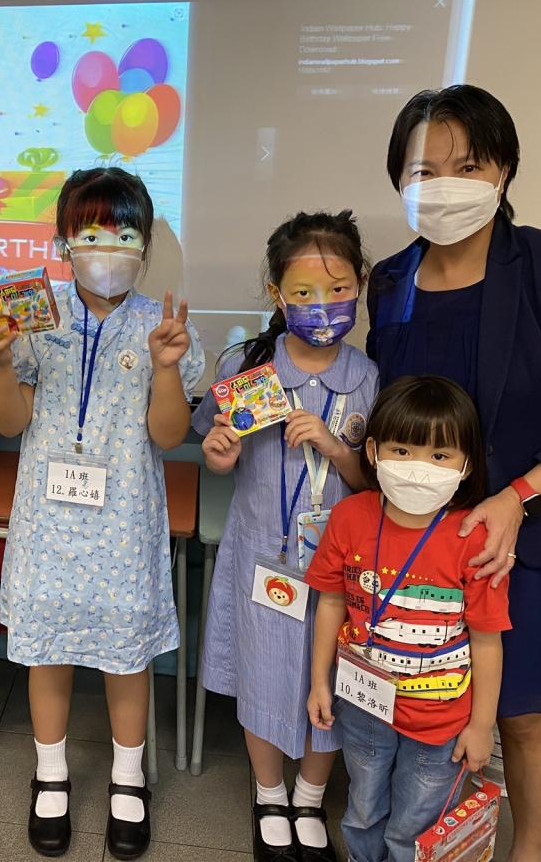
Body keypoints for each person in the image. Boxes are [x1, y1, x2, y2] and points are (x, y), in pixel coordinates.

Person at [367, 86, 541, 862]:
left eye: (468, 166)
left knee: (522, 714)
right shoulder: (390, 280)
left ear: (505, 170)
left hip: (534, 539)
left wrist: (520, 497)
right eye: (424, 170)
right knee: (426, 704)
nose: (445, 185)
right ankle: (425, 840)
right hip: (424, 538)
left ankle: (525, 851)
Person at [0, 167, 204, 861]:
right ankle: (50, 773)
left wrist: (165, 367)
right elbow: (9, 421)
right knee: (46, 649)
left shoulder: (162, 325)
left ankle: (128, 777)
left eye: (126, 233)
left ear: (145, 246)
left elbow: (169, 435)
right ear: (63, 241)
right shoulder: (32, 315)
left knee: (124, 654)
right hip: (47, 519)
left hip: (124, 521)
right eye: (92, 231)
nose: (109, 246)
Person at [196, 211, 378, 862]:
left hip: (341, 569)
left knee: (330, 675)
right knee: (265, 674)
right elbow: (218, 450)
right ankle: (269, 794)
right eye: (303, 292)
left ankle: (309, 796)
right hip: (262, 559)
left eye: (338, 289)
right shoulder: (247, 367)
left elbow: (373, 483)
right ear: (276, 294)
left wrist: (336, 446)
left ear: (360, 285)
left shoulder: (369, 378)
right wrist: (220, 453)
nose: (322, 304)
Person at [306, 375, 510, 862]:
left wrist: (482, 726)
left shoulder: (473, 538)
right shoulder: (349, 517)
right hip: (363, 705)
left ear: (466, 464)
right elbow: (330, 602)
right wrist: (319, 682)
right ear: (373, 452)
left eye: (439, 455)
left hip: (439, 720)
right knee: (362, 809)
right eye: (401, 450)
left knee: (416, 826)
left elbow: (486, 640)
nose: (419, 468)